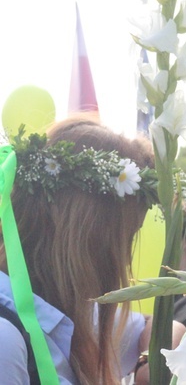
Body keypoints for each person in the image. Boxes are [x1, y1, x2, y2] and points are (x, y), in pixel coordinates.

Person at [0, 116, 159, 383]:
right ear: (92, 239)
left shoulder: (66, 315)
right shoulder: (7, 341)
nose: (127, 260)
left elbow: (154, 326)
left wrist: (147, 359)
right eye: (126, 239)